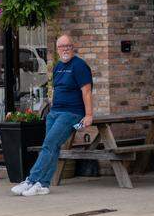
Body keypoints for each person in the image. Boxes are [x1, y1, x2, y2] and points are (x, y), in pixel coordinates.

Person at [11, 34, 93, 197]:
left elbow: (87, 92)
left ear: (73, 47)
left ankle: (32, 180)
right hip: (55, 113)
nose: (65, 49)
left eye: (68, 46)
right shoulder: (57, 67)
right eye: (62, 47)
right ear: (57, 49)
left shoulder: (80, 66)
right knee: (52, 147)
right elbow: (57, 89)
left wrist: (89, 115)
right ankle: (44, 184)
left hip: (72, 114)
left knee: (48, 144)